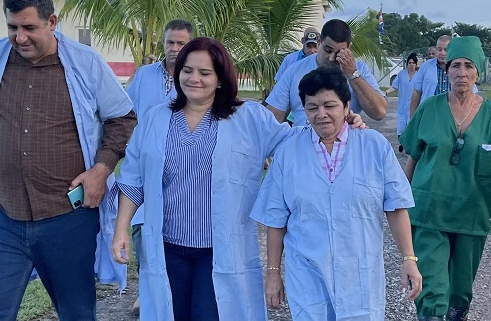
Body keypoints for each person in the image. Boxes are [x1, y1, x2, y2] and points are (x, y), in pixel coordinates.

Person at [110, 37, 366, 320]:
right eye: (187, 70)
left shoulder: (249, 117)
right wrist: (121, 229)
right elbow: (133, 178)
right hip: (168, 247)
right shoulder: (156, 119)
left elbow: (294, 141)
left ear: (220, 79)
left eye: (205, 73)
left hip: (220, 251)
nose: (194, 78)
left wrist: (341, 121)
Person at [0, 0, 137, 320]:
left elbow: (123, 118)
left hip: (67, 218)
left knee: (76, 312)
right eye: (12, 27)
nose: (20, 38)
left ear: (52, 22)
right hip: (2, 214)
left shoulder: (85, 63)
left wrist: (101, 169)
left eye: (29, 27)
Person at [252, 66, 422, 320]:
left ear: (346, 106)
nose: (321, 114)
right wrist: (273, 273)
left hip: (360, 275)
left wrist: (409, 258)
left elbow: (396, 207)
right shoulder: (289, 152)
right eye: (312, 108)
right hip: (307, 273)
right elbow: (276, 219)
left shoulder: (374, 147)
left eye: (329, 105)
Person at [400, 36, 491, 321]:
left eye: (469, 66)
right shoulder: (430, 109)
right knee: (431, 289)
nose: (461, 73)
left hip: (472, 215)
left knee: (460, 292)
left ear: (478, 71)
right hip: (429, 212)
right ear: (447, 70)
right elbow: (413, 159)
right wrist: (399, 200)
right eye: (455, 66)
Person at [125, 18, 193, 314]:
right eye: (170, 42)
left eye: (181, 43)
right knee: (142, 224)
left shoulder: (195, 77)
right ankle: (146, 288)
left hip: (182, 167)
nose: (175, 49)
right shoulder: (143, 76)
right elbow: (127, 114)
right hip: (146, 163)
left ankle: (173, 290)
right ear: (162, 44)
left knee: (174, 228)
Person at [266, 18, 387, 126]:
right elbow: (273, 117)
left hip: (345, 145)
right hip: (304, 144)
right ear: (319, 42)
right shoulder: (294, 70)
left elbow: (379, 112)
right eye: (328, 50)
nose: (332, 58)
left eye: (339, 52)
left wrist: (353, 74)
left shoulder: (360, 70)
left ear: (349, 47)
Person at [409, 35, 451, 117]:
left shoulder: (459, 67)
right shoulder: (426, 66)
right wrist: (412, 119)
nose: (442, 53)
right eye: (439, 49)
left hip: (451, 116)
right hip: (429, 115)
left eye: (446, 50)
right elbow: (416, 92)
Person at [386, 52, 419, 138]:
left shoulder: (419, 76)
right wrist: (386, 92)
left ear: (416, 64)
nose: (411, 65)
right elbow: (394, 87)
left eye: (413, 63)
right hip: (402, 107)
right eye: (409, 63)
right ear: (407, 64)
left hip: (414, 107)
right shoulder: (401, 74)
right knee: (401, 128)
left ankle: (409, 147)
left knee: (412, 128)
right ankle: (402, 143)